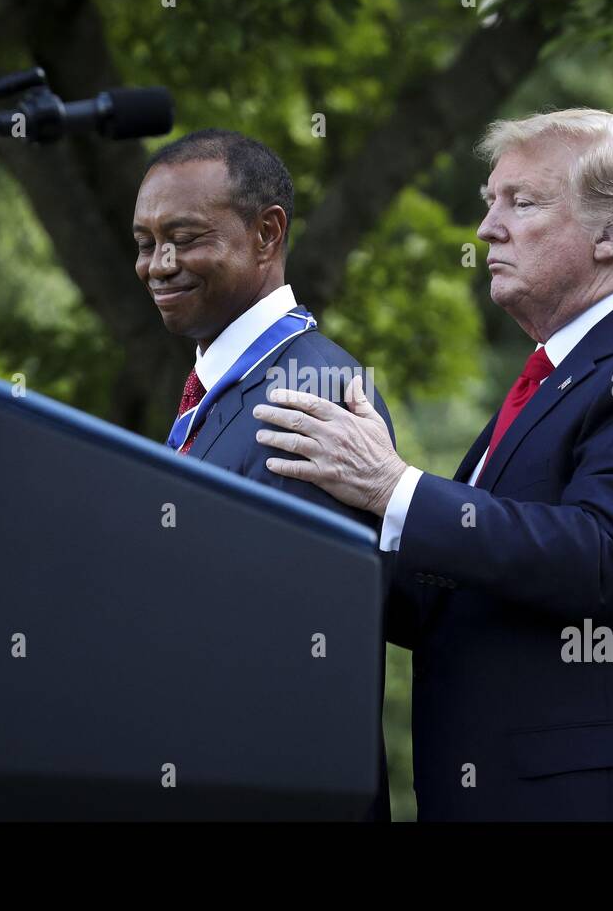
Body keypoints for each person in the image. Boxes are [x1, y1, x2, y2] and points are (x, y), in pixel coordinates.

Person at [254, 109, 613, 821]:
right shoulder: (552, 379)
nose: (487, 229)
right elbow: (453, 599)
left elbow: (604, 558)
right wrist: (308, 529)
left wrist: (391, 486)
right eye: (489, 202)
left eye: (521, 202)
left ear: (612, 232)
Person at [132, 129, 395, 820]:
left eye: (185, 238)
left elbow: (295, 659)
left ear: (266, 234)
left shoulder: (306, 393)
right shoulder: (221, 392)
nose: (158, 264)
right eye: (144, 242)